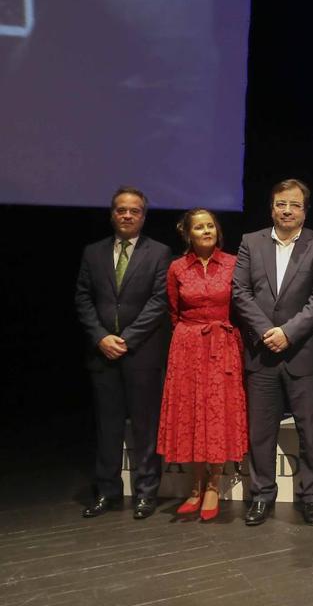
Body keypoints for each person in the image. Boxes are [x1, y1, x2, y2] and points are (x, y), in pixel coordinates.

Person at [232, 178, 313, 527]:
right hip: (262, 354)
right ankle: (261, 496)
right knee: (261, 432)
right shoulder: (251, 242)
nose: (287, 210)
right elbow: (240, 292)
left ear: (305, 209)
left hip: (304, 353)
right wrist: (266, 332)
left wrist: (288, 334)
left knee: (309, 431)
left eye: (294, 204)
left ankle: (310, 497)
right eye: (280, 204)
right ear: (271, 207)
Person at [75, 187, 171, 519]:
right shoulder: (93, 252)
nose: (127, 215)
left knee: (146, 426)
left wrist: (126, 339)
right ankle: (108, 492)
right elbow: (83, 299)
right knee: (108, 426)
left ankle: (146, 493)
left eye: (134, 211)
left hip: (141, 353)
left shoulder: (159, 253)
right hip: (102, 354)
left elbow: (160, 301)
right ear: (112, 214)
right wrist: (102, 337)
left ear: (143, 216)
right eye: (121, 210)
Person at [157, 209, 248, 521]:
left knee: (218, 412)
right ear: (189, 234)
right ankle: (194, 487)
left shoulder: (234, 264)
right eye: (199, 227)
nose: (206, 230)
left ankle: (213, 485)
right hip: (187, 345)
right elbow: (172, 309)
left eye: (211, 225)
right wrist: (189, 335)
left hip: (222, 343)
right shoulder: (177, 268)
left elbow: (242, 305)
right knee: (192, 413)